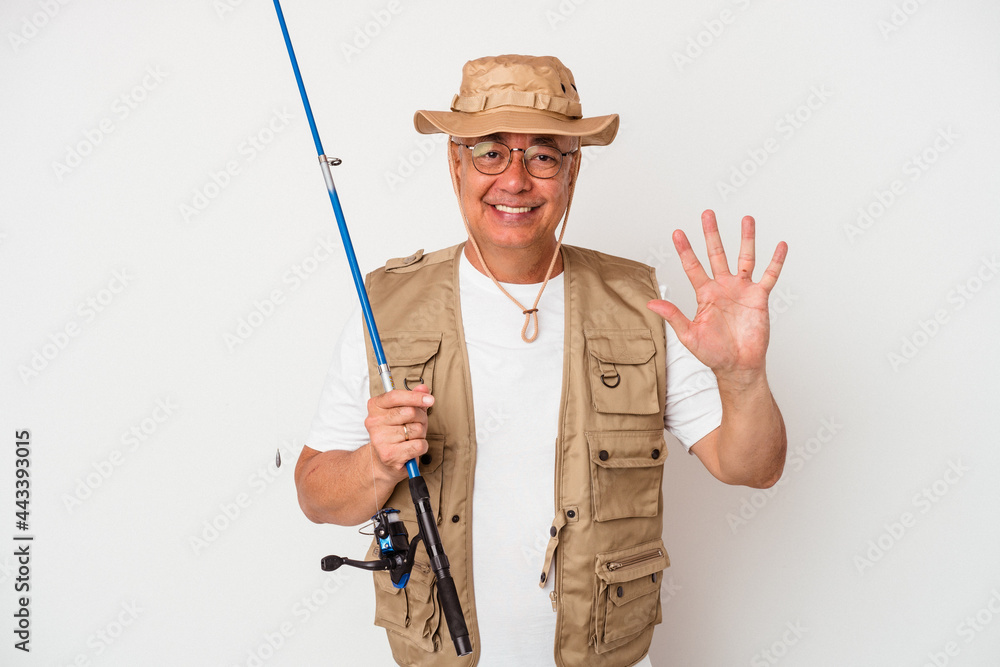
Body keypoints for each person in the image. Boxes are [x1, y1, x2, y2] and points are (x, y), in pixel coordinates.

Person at [295, 55, 787, 667]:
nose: (516, 180)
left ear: (572, 173)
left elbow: (753, 468)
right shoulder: (386, 308)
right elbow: (316, 496)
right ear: (456, 164)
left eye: (544, 156)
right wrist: (376, 464)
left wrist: (743, 378)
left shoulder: (643, 308)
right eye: (491, 152)